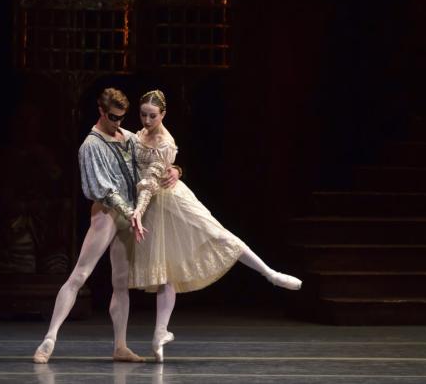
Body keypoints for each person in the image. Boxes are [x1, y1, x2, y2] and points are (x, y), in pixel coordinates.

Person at [128, 90, 302, 362]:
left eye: (153, 116)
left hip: (172, 202)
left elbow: (150, 182)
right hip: (153, 210)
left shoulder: (165, 142)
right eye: (143, 115)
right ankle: (159, 333)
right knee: (165, 271)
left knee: (218, 234)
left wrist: (139, 209)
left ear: (163, 115)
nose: (147, 120)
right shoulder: (139, 135)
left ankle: (270, 273)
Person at [33, 88, 179, 364]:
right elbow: (102, 189)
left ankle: (120, 346)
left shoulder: (129, 137)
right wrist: (131, 213)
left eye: (122, 118)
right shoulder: (91, 145)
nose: (117, 122)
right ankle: (49, 338)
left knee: (121, 282)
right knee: (80, 273)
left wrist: (175, 170)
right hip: (108, 213)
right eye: (113, 117)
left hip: (132, 214)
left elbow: (153, 161)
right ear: (101, 111)